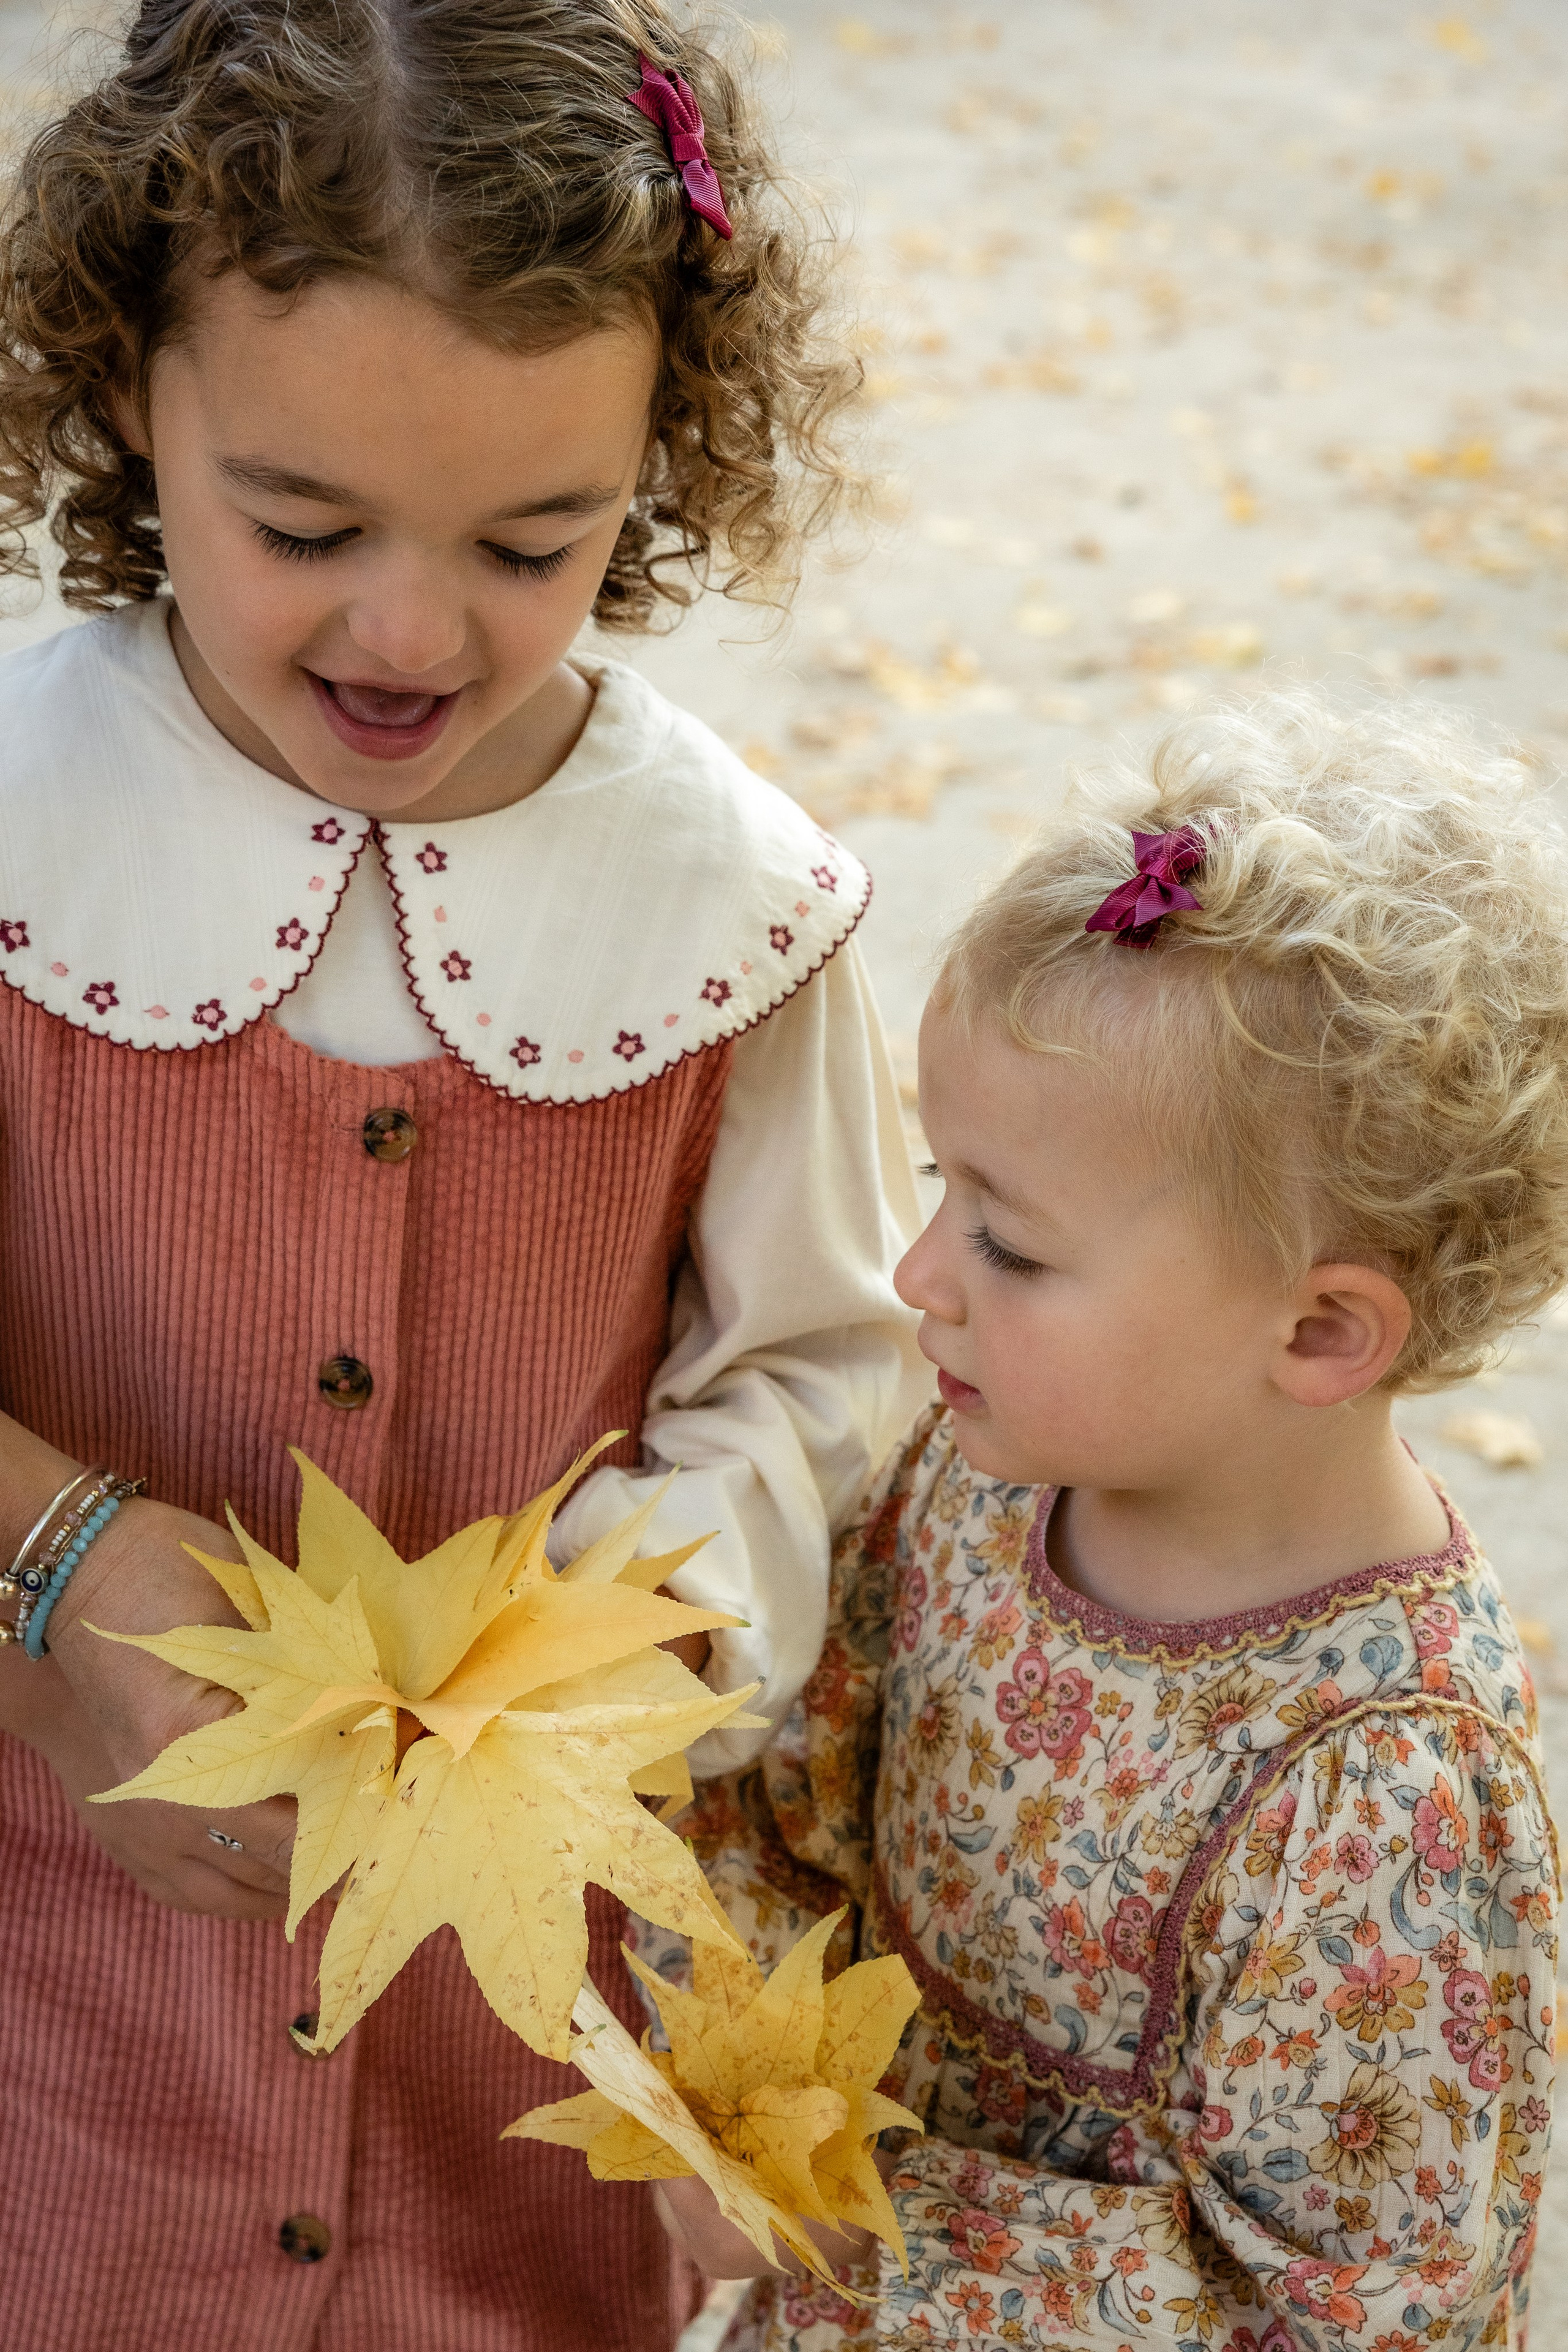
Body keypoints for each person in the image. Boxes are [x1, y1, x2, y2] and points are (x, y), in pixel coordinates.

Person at [0, 4, 930, 2346]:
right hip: (52, 2024)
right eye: (300, 527)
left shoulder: (734, 913)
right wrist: (49, 1567)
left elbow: (826, 1380)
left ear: (663, 448)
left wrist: (625, 1648)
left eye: (539, 540)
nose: (412, 631)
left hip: (511, 2072)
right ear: (129, 386)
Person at [658, 694, 1565, 2350]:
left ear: (1317, 1332)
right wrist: (744, 2084)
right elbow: (807, 1800)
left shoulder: (1387, 1793)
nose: (920, 1277)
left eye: (1010, 1244)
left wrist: (873, 2226)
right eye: (942, 1190)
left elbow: (1357, 2306)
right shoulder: (977, 1478)